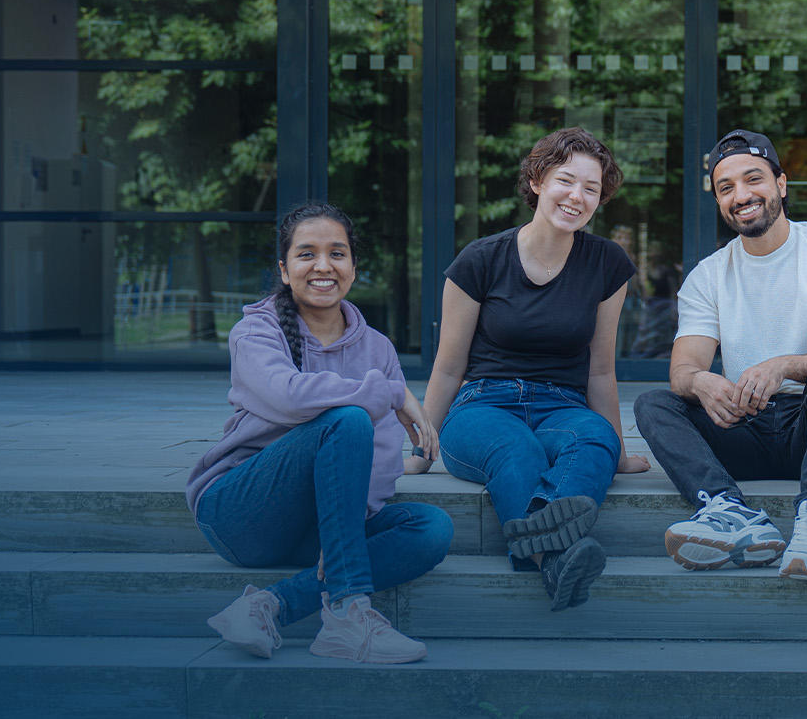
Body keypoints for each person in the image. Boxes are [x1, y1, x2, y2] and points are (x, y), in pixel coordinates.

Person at [189, 201, 449, 665]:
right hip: (241, 512)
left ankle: (269, 605)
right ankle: (348, 614)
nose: (323, 266)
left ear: (353, 267)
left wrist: (346, 530)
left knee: (431, 529)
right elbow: (288, 396)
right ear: (284, 270)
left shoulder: (377, 348)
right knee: (347, 420)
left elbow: (384, 453)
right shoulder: (255, 331)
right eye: (307, 254)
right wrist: (391, 391)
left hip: (320, 522)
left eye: (337, 253)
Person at [633, 129, 807, 583]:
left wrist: (783, 365)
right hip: (745, 425)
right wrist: (702, 382)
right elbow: (683, 370)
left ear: (781, 184)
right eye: (726, 187)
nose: (741, 196)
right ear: (718, 200)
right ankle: (729, 511)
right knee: (654, 403)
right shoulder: (708, 275)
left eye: (753, 179)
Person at [421, 128, 638, 612]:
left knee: (595, 439)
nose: (577, 196)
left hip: (562, 406)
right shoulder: (480, 259)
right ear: (537, 180)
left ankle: (545, 555)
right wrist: (421, 448)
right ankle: (555, 556)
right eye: (566, 180)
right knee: (517, 448)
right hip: (483, 406)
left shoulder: (607, 263)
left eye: (592, 189)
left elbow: (600, 371)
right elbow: (449, 366)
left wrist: (619, 453)